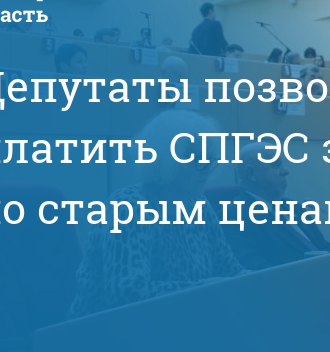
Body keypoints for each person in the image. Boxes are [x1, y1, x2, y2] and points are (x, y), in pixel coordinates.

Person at [67, 110, 247, 319]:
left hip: (176, 321)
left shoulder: (198, 203)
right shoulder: (128, 207)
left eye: (210, 159)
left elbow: (231, 270)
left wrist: (266, 281)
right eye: (198, 159)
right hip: (103, 329)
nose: (207, 169)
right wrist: (202, 288)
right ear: (166, 160)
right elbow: (127, 294)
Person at [221, 142, 330, 270]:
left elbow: (323, 248)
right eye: (276, 165)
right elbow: (255, 270)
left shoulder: (294, 207)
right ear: (252, 174)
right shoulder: (233, 216)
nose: (286, 171)